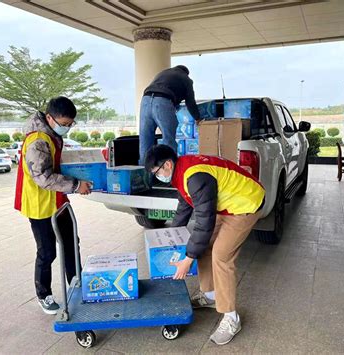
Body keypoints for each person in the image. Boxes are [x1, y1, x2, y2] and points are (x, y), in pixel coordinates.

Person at [144, 145, 266, 345]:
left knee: (221, 255)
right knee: (205, 246)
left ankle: (231, 318)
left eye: (156, 172)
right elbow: (185, 206)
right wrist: (171, 237)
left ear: (167, 164)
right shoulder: (180, 171)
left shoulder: (195, 176)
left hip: (246, 203)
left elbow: (204, 221)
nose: (157, 177)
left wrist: (187, 259)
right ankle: (209, 295)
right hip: (226, 205)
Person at [14, 96, 91, 315]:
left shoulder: (51, 135)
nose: (66, 128)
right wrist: (76, 185)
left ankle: (77, 284)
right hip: (39, 204)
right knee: (47, 251)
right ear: (49, 118)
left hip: (57, 201)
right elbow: (42, 177)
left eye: (70, 124)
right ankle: (43, 294)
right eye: (64, 124)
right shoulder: (38, 140)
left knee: (70, 243)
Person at [139, 65, 201, 164]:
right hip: (163, 101)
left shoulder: (163, 73)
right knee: (169, 140)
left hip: (145, 100)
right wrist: (197, 118)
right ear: (186, 72)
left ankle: (144, 174)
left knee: (145, 140)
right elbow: (190, 102)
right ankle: (169, 172)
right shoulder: (186, 79)